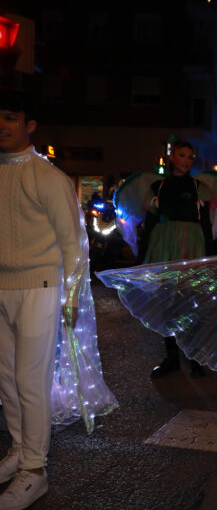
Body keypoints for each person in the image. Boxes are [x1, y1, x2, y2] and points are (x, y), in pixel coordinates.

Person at [0, 88, 83, 508]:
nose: (2, 125)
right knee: (7, 381)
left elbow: (73, 243)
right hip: (0, 286)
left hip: (41, 287)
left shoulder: (48, 177)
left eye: (11, 117)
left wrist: (71, 297)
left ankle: (34, 469)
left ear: (29, 125)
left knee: (32, 383)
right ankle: (18, 451)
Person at [143, 140, 212, 379]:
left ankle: (193, 358)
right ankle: (171, 357)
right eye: (182, 155)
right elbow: (150, 222)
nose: (187, 160)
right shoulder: (158, 186)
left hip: (192, 244)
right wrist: (145, 256)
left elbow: (206, 223)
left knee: (191, 301)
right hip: (164, 245)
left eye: (191, 157)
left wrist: (210, 256)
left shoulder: (199, 187)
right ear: (172, 157)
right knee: (167, 301)